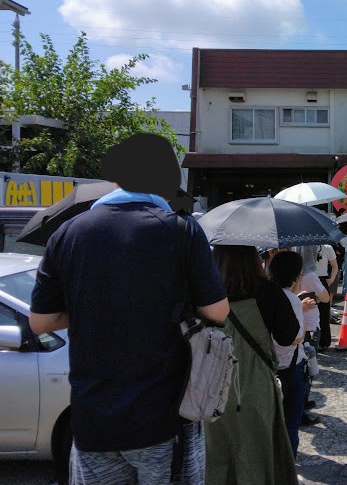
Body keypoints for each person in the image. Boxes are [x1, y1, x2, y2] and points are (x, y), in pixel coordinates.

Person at [29, 133, 229, 485]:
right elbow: (217, 312)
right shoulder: (182, 230)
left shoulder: (68, 232)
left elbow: (40, 321)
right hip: (165, 419)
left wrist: (99, 305)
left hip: (93, 420)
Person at [205, 245, 300, 485]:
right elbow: (288, 336)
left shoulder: (203, 292)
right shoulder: (267, 291)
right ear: (252, 259)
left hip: (212, 389)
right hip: (255, 386)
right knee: (257, 459)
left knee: (218, 459)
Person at [268, 250, 311, 460]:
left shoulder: (265, 294)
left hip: (268, 366)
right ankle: (288, 468)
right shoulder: (291, 300)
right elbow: (296, 337)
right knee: (291, 423)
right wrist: (300, 309)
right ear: (295, 277)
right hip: (290, 366)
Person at [292, 245, 330, 425]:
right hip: (311, 326)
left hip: (298, 325)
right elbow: (325, 298)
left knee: (301, 366)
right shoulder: (310, 275)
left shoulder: (295, 273)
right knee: (308, 369)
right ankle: (302, 408)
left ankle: (302, 403)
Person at [314, 244, 339, 350]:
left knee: (323, 313)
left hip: (322, 279)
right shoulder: (303, 246)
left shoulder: (327, 247)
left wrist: (331, 279)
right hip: (307, 279)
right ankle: (311, 341)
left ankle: (324, 342)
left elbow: (335, 266)